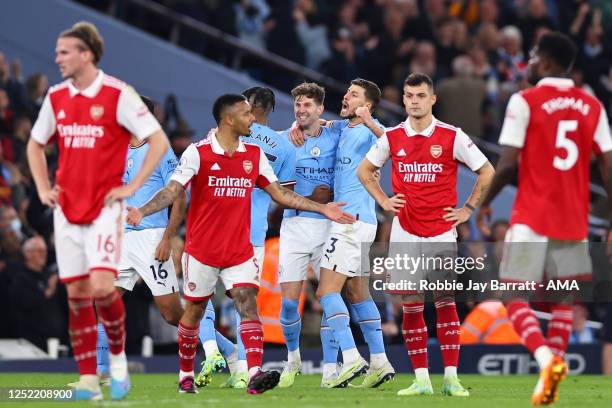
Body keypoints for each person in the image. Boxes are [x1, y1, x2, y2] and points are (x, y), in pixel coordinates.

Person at [126, 94, 355, 395]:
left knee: (247, 302)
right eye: (247, 114)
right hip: (202, 251)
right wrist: (143, 210)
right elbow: (172, 191)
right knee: (193, 313)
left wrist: (320, 207)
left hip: (239, 249)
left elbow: (280, 195)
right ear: (229, 120)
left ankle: (255, 373)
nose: (253, 119)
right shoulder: (198, 153)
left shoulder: (255, 155)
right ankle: (185, 374)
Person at [26, 22, 169, 401]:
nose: (57, 58)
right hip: (67, 211)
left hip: (106, 211)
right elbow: (34, 145)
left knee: (105, 290)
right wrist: (42, 187)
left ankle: (118, 363)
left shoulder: (118, 95)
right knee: (79, 297)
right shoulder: (56, 97)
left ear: (86, 54)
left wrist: (131, 187)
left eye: (64, 51)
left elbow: (157, 140)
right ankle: (90, 379)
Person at [477, 32, 612, 405]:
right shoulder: (592, 105)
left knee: (513, 295)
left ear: (547, 63)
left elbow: (506, 165)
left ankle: (544, 358)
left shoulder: (525, 100)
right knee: (563, 303)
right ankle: (552, 377)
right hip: (573, 221)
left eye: (534, 56)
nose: (530, 61)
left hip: (533, 216)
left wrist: (484, 202)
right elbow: (608, 166)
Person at [358, 72, 494, 397]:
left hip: (441, 231)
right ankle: (421, 379)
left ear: (432, 99)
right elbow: (364, 170)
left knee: (445, 302)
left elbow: (487, 170)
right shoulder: (392, 137)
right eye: (409, 95)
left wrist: (468, 209)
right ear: (404, 99)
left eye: (420, 95)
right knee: (411, 305)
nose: (414, 101)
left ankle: (451, 377)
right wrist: (383, 201)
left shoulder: (452, 136)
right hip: (405, 230)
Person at [291, 79, 395, 388]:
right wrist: (305, 125)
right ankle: (380, 361)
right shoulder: (342, 129)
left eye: (354, 95)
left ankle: (350, 359)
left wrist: (369, 121)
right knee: (357, 293)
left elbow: (397, 144)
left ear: (368, 105)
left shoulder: (369, 129)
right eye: (348, 92)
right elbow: (320, 123)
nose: (346, 96)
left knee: (326, 292)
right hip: (358, 222)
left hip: (351, 221)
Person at [195, 87, 296, 389]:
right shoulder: (284, 146)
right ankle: (241, 367)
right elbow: (284, 194)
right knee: (245, 301)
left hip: (213, 227)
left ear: (248, 106)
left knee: (198, 295)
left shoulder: (226, 133)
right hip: (253, 232)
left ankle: (214, 349)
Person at [276, 82, 339, 388]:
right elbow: (279, 191)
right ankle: (293, 358)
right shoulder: (286, 140)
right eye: (297, 106)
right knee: (289, 303)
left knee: (329, 297)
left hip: (329, 226)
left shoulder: (335, 134)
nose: (301, 111)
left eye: (307, 106)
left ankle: (331, 367)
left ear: (320, 109)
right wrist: (315, 198)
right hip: (294, 224)